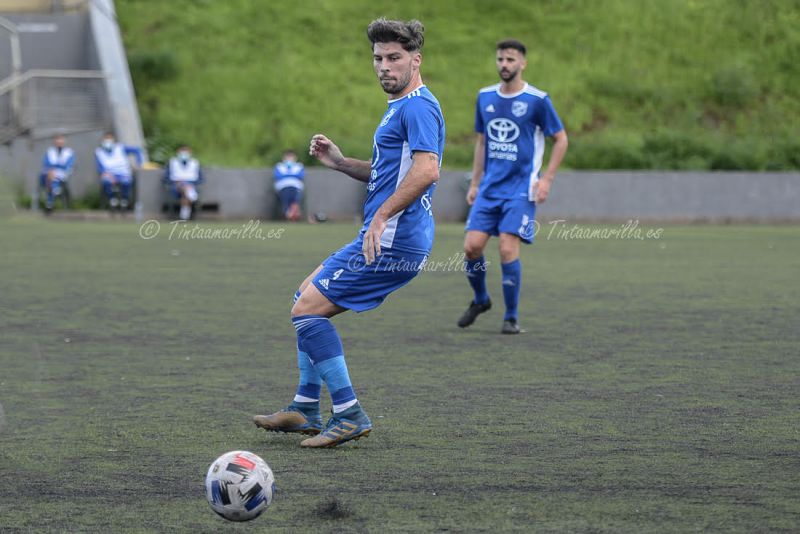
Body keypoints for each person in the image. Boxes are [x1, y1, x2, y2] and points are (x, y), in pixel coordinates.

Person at [253, 18, 445, 448]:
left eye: (394, 58)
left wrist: (381, 216)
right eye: (378, 58)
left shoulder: (417, 107)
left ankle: (349, 412)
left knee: (307, 311)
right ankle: (306, 407)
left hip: (393, 240)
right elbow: (390, 172)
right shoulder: (401, 106)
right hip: (386, 235)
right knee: (303, 296)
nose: (384, 67)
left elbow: (427, 170)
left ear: (416, 60)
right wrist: (341, 163)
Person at [459, 39, 568, 334]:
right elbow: (482, 142)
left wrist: (546, 179)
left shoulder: (537, 100)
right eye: (500, 59)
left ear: (523, 63)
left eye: (510, 59)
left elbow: (561, 139)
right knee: (471, 248)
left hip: (521, 188)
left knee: (507, 248)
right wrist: (475, 182)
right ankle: (481, 299)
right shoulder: (484, 96)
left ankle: (511, 317)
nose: (504, 64)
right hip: (489, 188)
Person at [95, 132, 143, 211]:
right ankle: (113, 202)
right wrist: (105, 173)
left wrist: (139, 163)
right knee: (106, 182)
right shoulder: (99, 152)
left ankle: (124, 202)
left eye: (109, 139)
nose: (108, 141)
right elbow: (99, 167)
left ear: (113, 140)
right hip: (109, 174)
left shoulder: (120, 148)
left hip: (123, 173)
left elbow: (137, 150)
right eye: (106, 139)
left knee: (126, 182)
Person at [165, 145, 203, 220]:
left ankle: (184, 215)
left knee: (186, 190)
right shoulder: (172, 162)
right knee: (185, 188)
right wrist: (176, 182)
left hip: (191, 185)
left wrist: (191, 183)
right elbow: (166, 178)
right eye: (182, 151)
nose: (184, 153)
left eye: (186, 151)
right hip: (176, 187)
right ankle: (191, 198)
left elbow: (200, 179)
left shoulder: (195, 163)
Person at [39, 134, 75, 213]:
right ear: (54, 141)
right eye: (57, 139)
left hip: (62, 173)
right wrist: (51, 170)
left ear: (64, 140)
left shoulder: (69, 152)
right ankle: (56, 190)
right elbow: (46, 164)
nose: (59, 141)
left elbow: (69, 165)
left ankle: (49, 203)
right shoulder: (50, 151)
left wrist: (59, 169)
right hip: (49, 173)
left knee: (52, 178)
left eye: (60, 139)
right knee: (49, 176)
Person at [273, 150, 305, 222]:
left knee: (292, 191)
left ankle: (290, 212)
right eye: (287, 156)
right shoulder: (279, 166)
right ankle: (291, 211)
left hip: (296, 187)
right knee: (287, 192)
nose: (289, 158)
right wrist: (292, 175)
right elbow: (278, 176)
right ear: (283, 158)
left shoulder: (299, 166)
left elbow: (300, 176)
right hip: (282, 187)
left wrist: (286, 174)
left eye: (291, 156)